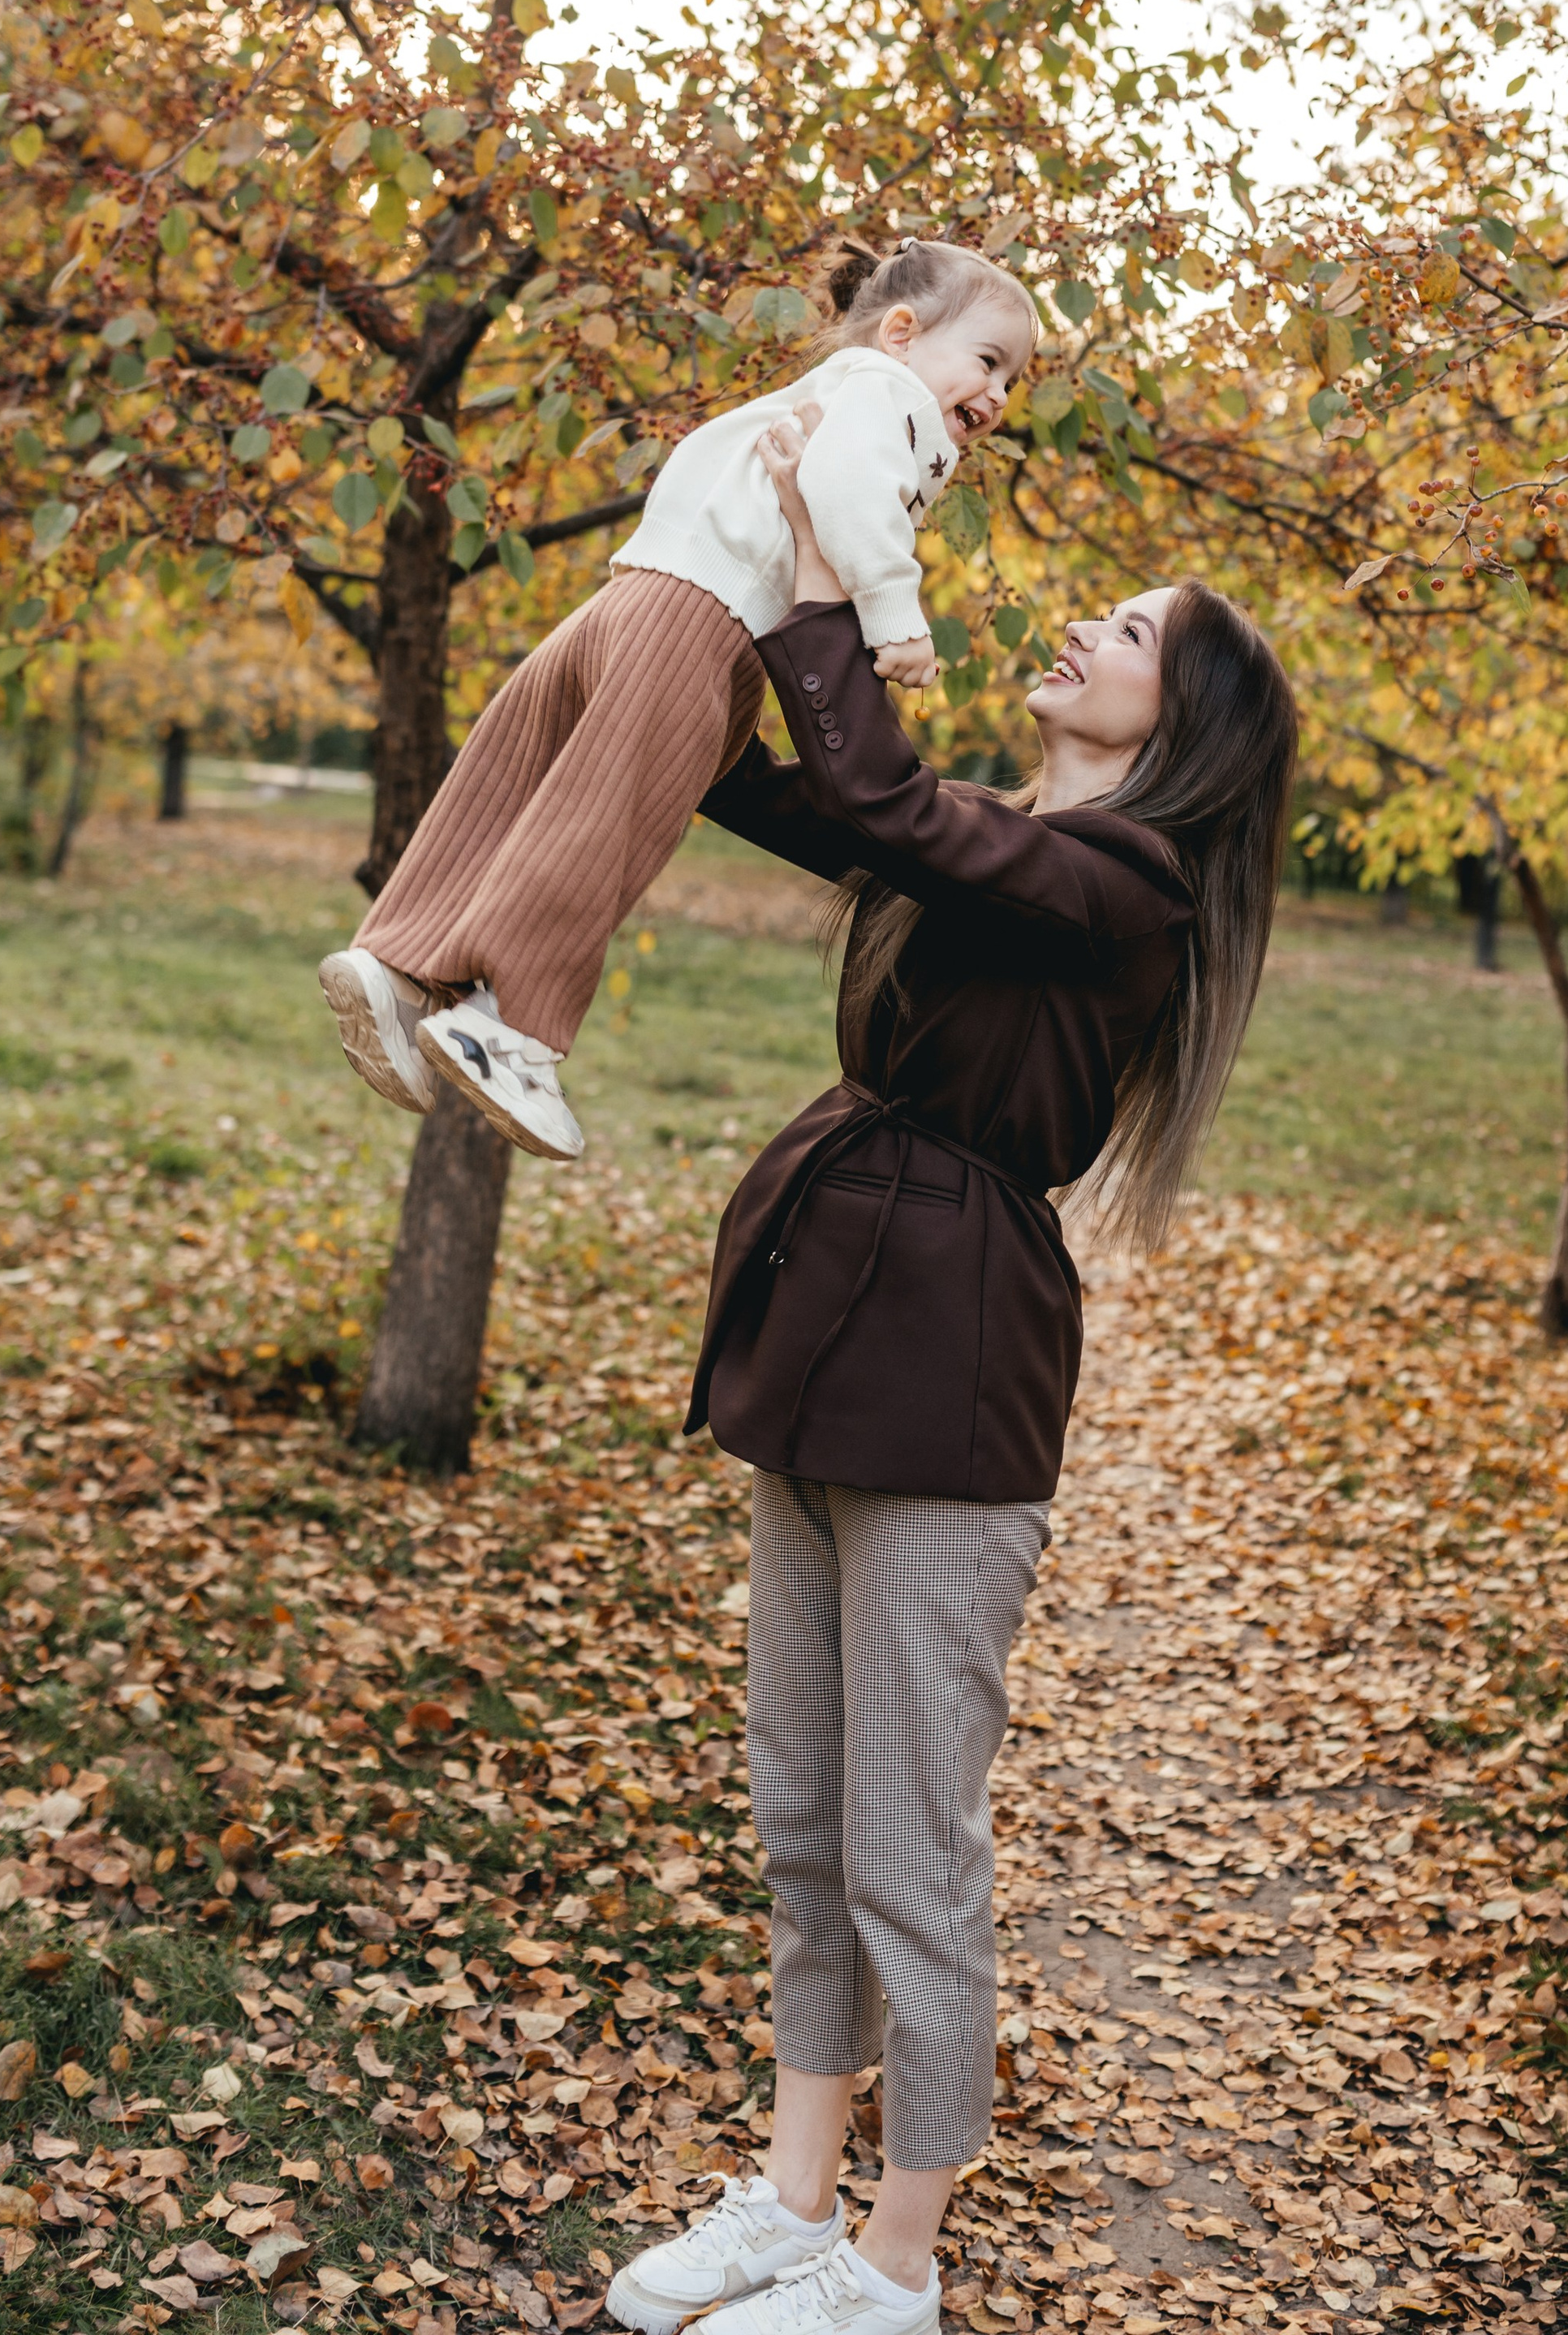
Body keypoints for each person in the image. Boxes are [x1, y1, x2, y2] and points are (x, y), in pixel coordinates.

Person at [604, 416, 1299, 2335]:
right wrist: (691, 606)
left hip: (949, 1356)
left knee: (907, 1845)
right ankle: (791, 2198)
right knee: (801, 1815)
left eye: (1129, 630)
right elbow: (796, 795)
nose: (1081, 627)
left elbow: (881, 798)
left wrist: (827, 587)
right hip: (829, 1314)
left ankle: (893, 2265)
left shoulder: (1127, 880)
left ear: (1186, 720)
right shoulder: (997, 831)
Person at [316, 238, 1037, 1161]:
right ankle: (510, 1029)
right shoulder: (890, 397)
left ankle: (399, 966)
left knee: (516, 776)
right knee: (611, 815)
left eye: (1013, 379)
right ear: (902, 332)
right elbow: (847, 492)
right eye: (988, 360)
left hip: (635, 597)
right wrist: (894, 613)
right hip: (704, 623)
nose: (999, 395)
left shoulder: (835, 387)